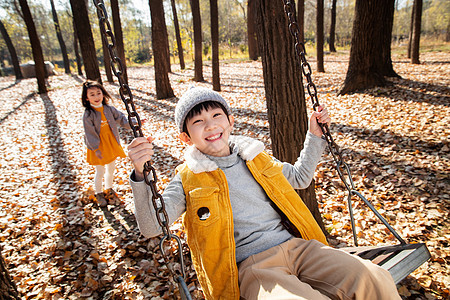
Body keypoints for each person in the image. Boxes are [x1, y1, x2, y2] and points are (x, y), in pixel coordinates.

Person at [127, 86, 400, 300]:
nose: (210, 126)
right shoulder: (188, 178)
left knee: (373, 278)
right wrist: (140, 174)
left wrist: (314, 136)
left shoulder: (255, 158)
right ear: (186, 138)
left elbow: (300, 177)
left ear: (230, 121)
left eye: (216, 115)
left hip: (299, 248)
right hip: (254, 267)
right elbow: (152, 227)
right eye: (198, 121)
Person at [82, 80, 130, 206]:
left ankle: (109, 189)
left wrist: (134, 123)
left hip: (111, 143)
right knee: (100, 171)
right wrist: (96, 149)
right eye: (92, 95)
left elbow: (121, 118)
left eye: (98, 93)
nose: (96, 97)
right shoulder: (88, 114)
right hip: (98, 146)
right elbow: (90, 133)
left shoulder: (109, 109)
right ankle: (99, 193)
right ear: (86, 98)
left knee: (111, 168)